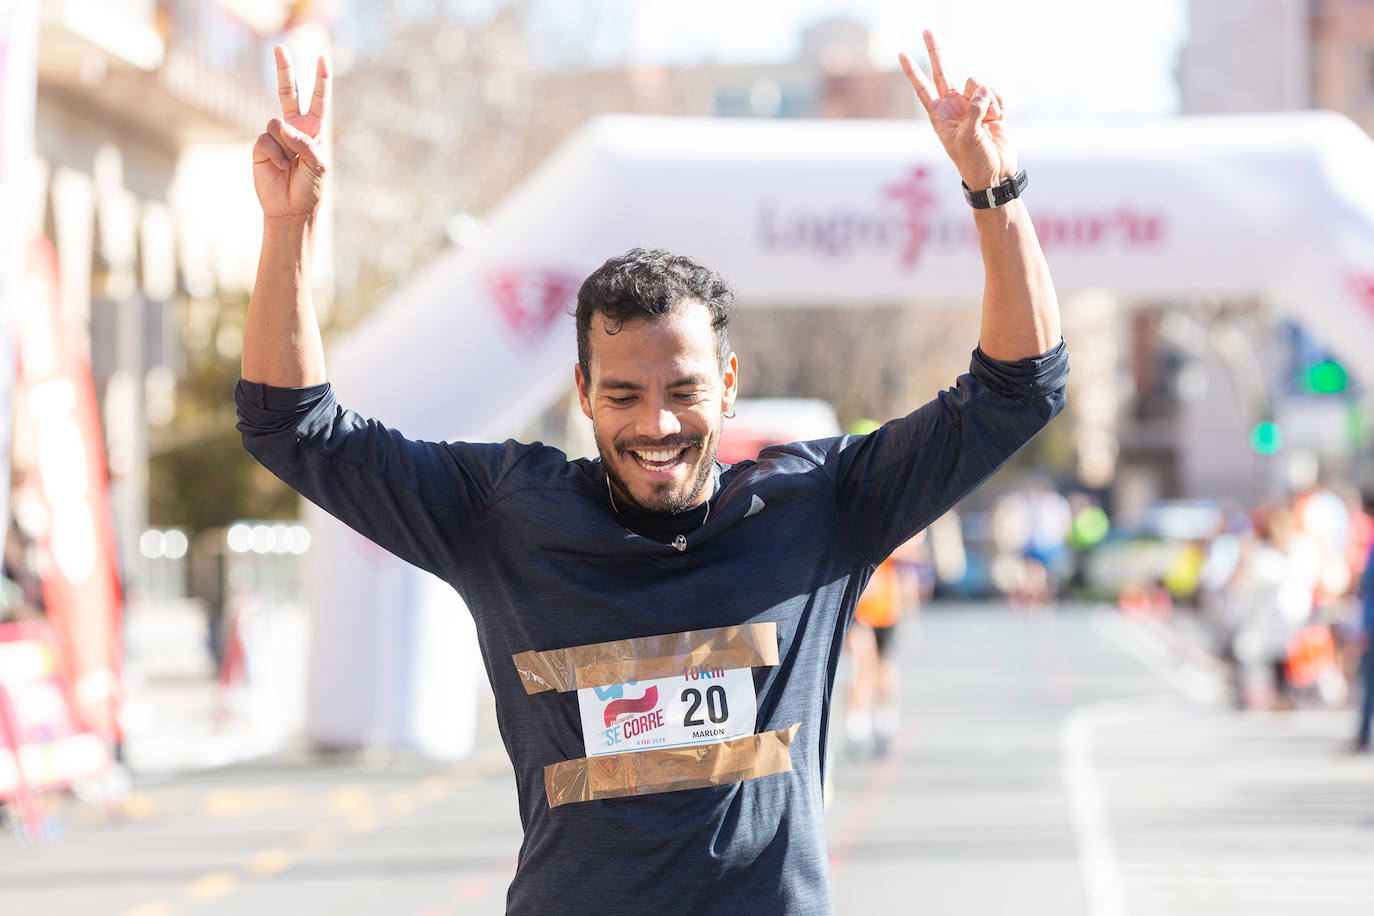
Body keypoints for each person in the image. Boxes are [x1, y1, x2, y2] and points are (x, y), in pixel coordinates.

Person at [236, 30, 1066, 915]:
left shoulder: (819, 508)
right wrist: (288, 226)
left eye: (684, 390)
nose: (657, 424)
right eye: (625, 393)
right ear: (585, 392)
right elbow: (293, 425)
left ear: (730, 386)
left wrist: (994, 189)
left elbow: (1018, 391)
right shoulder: (506, 516)